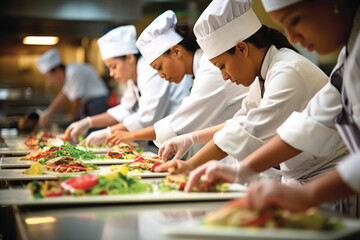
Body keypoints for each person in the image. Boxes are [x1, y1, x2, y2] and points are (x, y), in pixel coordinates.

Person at [188, 0, 360, 217]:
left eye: (295, 20)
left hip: (332, 184)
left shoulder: (289, 70)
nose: (293, 37)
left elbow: (247, 131)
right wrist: (239, 170)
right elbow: (310, 123)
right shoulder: (265, 75)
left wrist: (193, 162)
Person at [104, 10, 248, 156]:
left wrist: (131, 135)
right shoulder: (200, 69)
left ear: (176, 51)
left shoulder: (210, 71)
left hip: (239, 153)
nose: (161, 75)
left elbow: (179, 123)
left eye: (159, 67)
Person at [65, 25, 192, 144]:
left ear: (130, 58)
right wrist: (88, 122)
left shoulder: (150, 71)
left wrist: (107, 132)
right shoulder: (134, 78)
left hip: (182, 137)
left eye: (113, 67)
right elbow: (125, 109)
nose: (111, 74)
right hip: (169, 138)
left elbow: (146, 119)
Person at [36, 48, 109, 127]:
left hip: (97, 103)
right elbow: (63, 95)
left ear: (57, 69)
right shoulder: (69, 72)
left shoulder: (73, 72)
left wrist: (71, 119)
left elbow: (77, 99)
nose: (51, 81)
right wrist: (48, 112)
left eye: (50, 77)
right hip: (91, 104)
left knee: (95, 132)